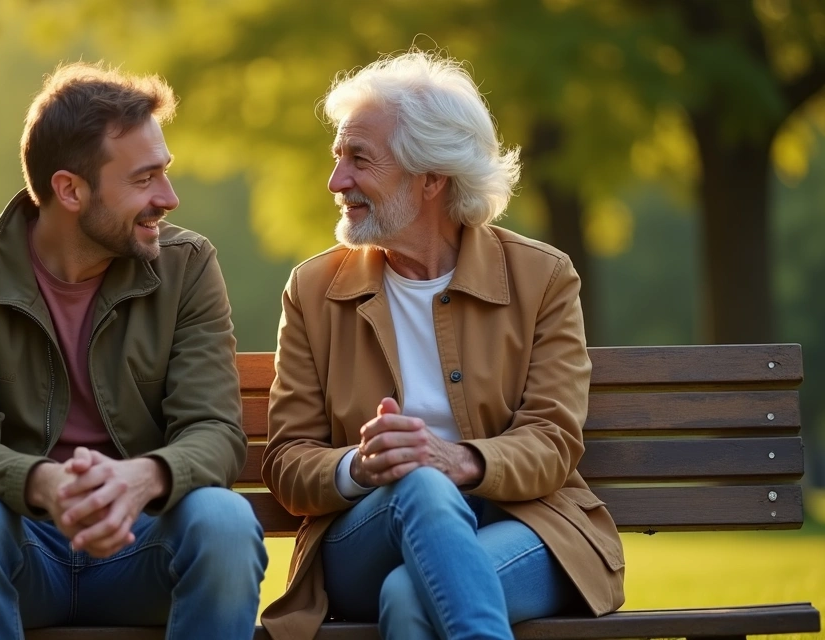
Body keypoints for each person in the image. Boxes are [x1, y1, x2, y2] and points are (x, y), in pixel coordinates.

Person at [260, 51, 625, 640]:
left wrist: (461, 460)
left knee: (410, 598)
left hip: (526, 523)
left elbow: (554, 440)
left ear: (431, 177)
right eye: (337, 158)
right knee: (420, 485)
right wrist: (362, 465)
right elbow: (287, 460)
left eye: (359, 160)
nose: (336, 182)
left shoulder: (543, 277)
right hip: (370, 530)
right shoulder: (313, 290)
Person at [0, 61, 267, 640]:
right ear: (70, 189)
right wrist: (49, 487)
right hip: (21, 547)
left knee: (224, 518)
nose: (169, 198)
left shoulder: (187, 265)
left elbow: (216, 431)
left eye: (164, 173)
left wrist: (140, 480)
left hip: (143, 545)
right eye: (144, 179)